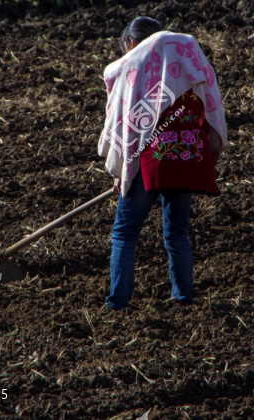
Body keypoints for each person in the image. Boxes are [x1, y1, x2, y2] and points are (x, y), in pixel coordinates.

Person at [97, 16, 228, 311]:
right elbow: (210, 105)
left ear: (131, 43)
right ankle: (183, 299)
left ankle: (117, 304)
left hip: (148, 159)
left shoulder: (132, 67)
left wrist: (122, 168)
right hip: (186, 155)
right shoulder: (188, 56)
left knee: (124, 232)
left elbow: (126, 126)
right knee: (177, 233)